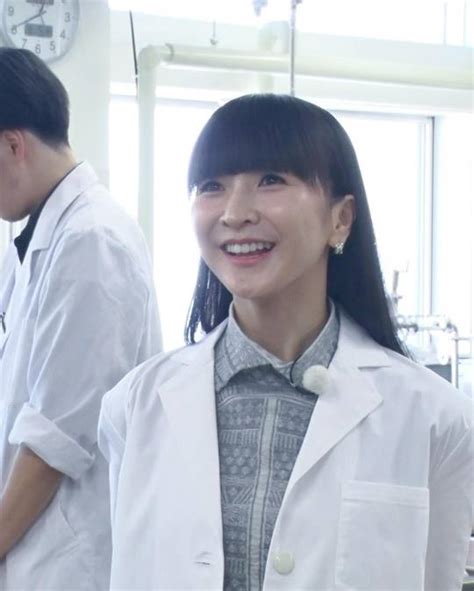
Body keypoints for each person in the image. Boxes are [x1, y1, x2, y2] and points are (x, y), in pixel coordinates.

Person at [99, 94, 472, 590]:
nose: (234, 213)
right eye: (211, 186)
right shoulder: (134, 407)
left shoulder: (434, 418)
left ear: (341, 218)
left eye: (271, 180)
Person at [0, 48, 162, 590]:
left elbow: (55, 442)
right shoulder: (40, 236)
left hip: (67, 559)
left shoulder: (92, 239)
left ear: (13, 145)